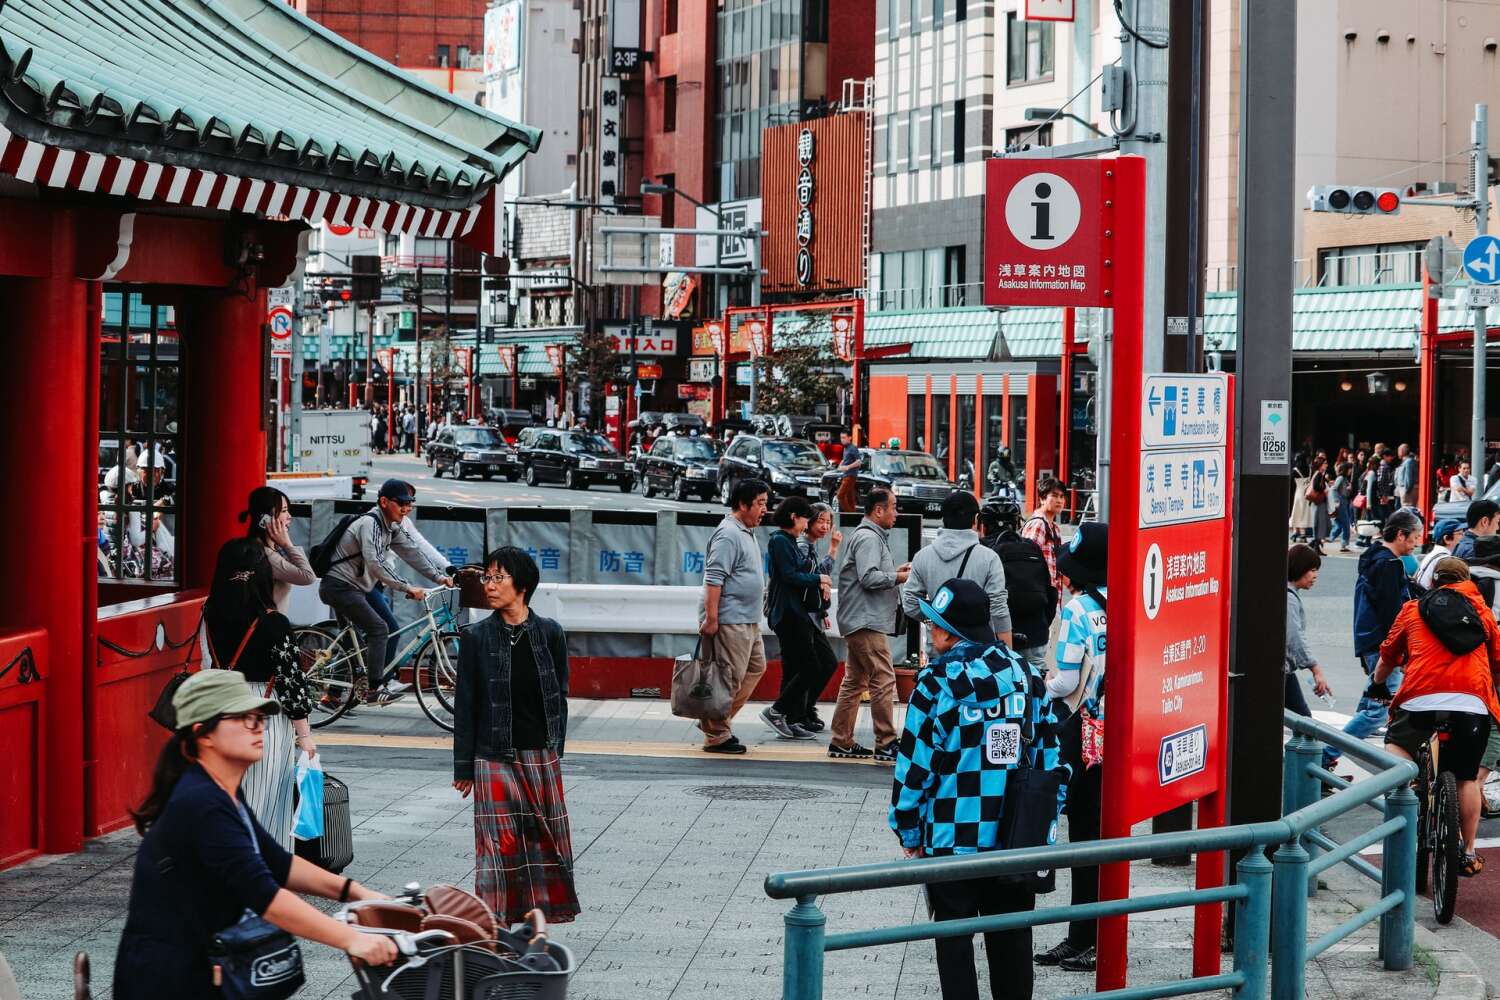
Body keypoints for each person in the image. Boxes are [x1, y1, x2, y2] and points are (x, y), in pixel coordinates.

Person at [113, 670, 396, 998]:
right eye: (242, 718)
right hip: (169, 979)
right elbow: (265, 896)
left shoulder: (222, 790)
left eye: (259, 716)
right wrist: (352, 939)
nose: (258, 725)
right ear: (202, 733)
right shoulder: (201, 803)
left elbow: (276, 863)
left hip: (204, 968)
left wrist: (359, 893)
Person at [890, 577, 1065, 1000]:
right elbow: (1050, 756)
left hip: (952, 839)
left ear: (951, 631)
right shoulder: (1024, 674)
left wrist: (909, 830)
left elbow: (914, 768)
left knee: (955, 949)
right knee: (1012, 949)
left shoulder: (935, 683)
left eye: (934, 627)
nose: (931, 635)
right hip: (1015, 840)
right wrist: (1045, 821)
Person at [452, 546, 580, 924]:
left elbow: (560, 694)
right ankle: (496, 922)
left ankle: (535, 920)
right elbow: (466, 704)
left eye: (497, 577)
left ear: (521, 586)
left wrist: (556, 749)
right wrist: (463, 765)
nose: (489, 585)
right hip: (492, 756)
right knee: (498, 845)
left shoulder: (550, 633)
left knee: (543, 839)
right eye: (486, 577)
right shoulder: (475, 637)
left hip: (540, 756)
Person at [1374, 558, 1500, 876]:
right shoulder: (1482, 612)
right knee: (1466, 778)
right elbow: (1498, 658)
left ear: (1433, 581)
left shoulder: (1413, 609)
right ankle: (1468, 852)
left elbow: (1388, 653)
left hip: (1420, 699)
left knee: (1397, 745)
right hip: (1471, 702)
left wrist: (1377, 683)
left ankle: (1412, 783)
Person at [202, 538, 317, 848]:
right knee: (266, 801)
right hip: (264, 713)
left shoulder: (209, 611)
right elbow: (290, 681)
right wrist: (304, 736)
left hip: (220, 709)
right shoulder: (274, 623)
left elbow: (204, 662)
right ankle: (262, 874)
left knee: (227, 795)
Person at [1035, 523, 1108, 973]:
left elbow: (1063, 681)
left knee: (1079, 838)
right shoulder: (1126, 605)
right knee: (1097, 838)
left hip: (1078, 731)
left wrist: (1037, 687)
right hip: (1112, 734)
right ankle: (1086, 935)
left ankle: (1086, 938)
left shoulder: (1079, 610)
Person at [317, 479, 454, 705]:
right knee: (380, 629)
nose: (407, 509)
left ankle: (336, 695)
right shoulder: (370, 523)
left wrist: (440, 577)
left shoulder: (389, 527)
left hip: (355, 588)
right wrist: (407, 587)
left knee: (355, 646)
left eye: (410, 504)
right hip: (340, 587)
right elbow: (376, 564)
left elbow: (413, 552)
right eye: (402, 503)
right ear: (383, 501)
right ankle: (374, 689)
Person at [1324, 509, 1424, 770]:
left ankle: (1327, 758)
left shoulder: (1375, 558)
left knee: (1370, 706)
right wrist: (1401, 651)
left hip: (1371, 641)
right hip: (1384, 647)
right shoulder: (1388, 566)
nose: (1416, 543)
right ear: (1400, 535)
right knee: (1375, 712)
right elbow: (1394, 615)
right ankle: (1324, 756)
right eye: (1414, 537)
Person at [830, 488, 911, 761]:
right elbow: (869, 577)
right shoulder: (868, 538)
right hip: (866, 621)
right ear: (879, 510)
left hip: (859, 619)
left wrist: (896, 572)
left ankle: (841, 740)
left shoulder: (868, 537)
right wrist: (899, 578)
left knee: (855, 681)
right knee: (883, 678)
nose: (896, 513)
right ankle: (886, 741)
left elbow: (872, 574)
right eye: (894, 507)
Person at [697, 478, 771, 754]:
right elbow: (714, 578)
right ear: (743, 504)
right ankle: (716, 732)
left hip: (748, 619)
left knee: (754, 668)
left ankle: (716, 720)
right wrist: (712, 618)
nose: (765, 509)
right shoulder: (728, 533)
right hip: (730, 619)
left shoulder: (745, 531)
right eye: (760, 503)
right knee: (728, 677)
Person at [903, 491, 1012, 656]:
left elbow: (910, 603)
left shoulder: (923, 556)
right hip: (980, 649)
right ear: (976, 519)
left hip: (939, 647)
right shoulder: (989, 558)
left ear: (943, 518)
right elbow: (998, 609)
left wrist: (937, 622)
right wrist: (1008, 652)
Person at [760, 496, 832, 740]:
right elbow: (790, 575)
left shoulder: (789, 541)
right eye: (805, 519)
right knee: (810, 666)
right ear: (793, 517)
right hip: (787, 613)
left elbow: (801, 569)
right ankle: (778, 711)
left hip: (794, 612)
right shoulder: (780, 541)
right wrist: (819, 579)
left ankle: (790, 718)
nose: (806, 524)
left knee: (793, 668)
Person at [979, 506, 1058, 670]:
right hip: (1035, 633)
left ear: (983, 525)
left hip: (997, 636)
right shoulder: (1032, 547)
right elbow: (1050, 590)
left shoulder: (982, 550)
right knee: (1035, 683)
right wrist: (1043, 624)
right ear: (1017, 524)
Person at [796, 503, 843, 732]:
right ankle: (801, 710)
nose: (825, 526)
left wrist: (833, 548)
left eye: (828, 522)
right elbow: (811, 578)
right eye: (821, 521)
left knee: (824, 663)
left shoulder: (810, 546)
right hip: (803, 617)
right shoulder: (802, 546)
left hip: (813, 615)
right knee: (816, 664)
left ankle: (805, 707)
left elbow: (820, 574)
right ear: (809, 522)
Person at [242, 486, 316, 615]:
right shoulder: (267, 555)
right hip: (267, 631)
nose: (289, 516)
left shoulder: (256, 548)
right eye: (284, 511)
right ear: (265, 519)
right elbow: (308, 577)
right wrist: (287, 544)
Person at [1285, 544, 1332, 718]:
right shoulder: (1289, 599)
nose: (1315, 576)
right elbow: (1295, 637)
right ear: (1300, 569)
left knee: (1301, 720)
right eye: (1312, 570)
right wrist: (1315, 669)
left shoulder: (1287, 593)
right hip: (1281, 670)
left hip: (1283, 670)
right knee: (1304, 722)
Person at [1022, 478, 1067, 602]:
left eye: (1062, 496)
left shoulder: (1055, 528)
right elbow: (1027, 562)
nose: (1059, 500)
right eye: (1054, 495)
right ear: (1042, 498)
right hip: (1038, 596)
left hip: (1051, 595)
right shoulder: (1038, 524)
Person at [1417, 519, 1466, 590]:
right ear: (1447, 539)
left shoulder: (1436, 554)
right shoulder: (1444, 559)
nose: (1463, 536)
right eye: (1460, 534)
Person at [834, 429, 863, 513]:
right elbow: (845, 459)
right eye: (841, 438)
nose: (842, 440)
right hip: (846, 475)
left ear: (850, 438)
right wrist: (840, 466)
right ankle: (853, 514)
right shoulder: (845, 448)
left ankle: (849, 514)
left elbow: (859, 461)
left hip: (850, 475)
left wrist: (848, 467)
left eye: (844, 437)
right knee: (850, 498)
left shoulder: (852, 448)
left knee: (840, 495)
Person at [1329, 461, 1356, 553]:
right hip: (1341, 502)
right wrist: (1336, 501)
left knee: (1340, 524)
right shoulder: (1340, 478)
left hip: (1344, 502)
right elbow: (1334, 489)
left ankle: (1330, 538)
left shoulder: (1344, 479)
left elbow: (1345, 492)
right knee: (1345, 524)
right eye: (1349, 469)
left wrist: (1349, 489)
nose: (1350, 471)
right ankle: (1343, 544)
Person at [1308, 457, 1331, 554]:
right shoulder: (1318, 474)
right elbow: (1316, 487)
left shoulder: (1320, 474)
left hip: (1320, 502)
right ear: (1320, 464)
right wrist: (1324, 490)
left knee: (1322, 524)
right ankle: (1315, 546)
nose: (1326, 464)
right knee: (1319, 524)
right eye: (1325, 463)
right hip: (1318, 502)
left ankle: (1315, 544)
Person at [1395, 443, 1418, 507]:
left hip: (1407, 491)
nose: (1397, 453)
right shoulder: (1407, 461)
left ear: (1402, 451)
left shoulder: (1408, 461)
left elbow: (1408, 477)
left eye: (1398, 450)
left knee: (1407, 509)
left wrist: (1406, 490)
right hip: (1406, 490)